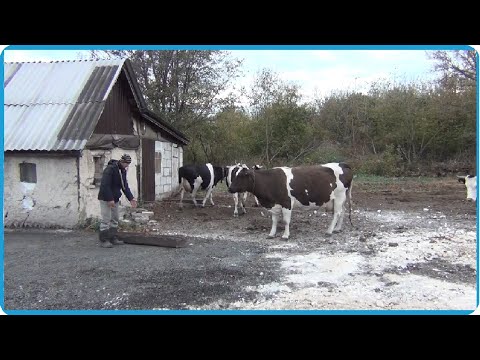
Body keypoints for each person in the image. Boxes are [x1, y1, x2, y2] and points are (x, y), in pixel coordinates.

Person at [97, 154, 137, 248]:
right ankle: (104, 240)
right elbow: (105, 185)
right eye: (126, 164)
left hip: (115, 198)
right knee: (106, 219)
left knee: (115, 218)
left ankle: (112, 237)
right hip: (105, 198)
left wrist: (131, 198)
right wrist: (109, 199)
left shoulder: (122, 170)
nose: (127, 166)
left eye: (128, 164)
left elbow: (124, 186)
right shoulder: (110, 169)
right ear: (121, 161)